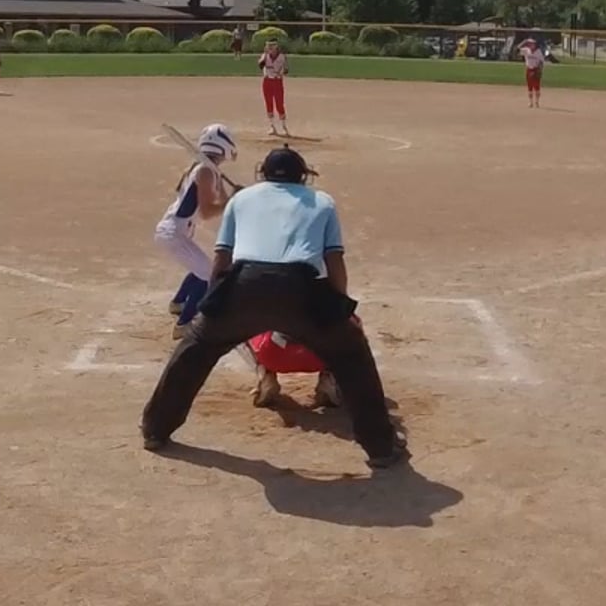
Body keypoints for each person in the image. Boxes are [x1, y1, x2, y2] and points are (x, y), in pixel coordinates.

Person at [141, 146, 407, 469]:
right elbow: (334, 261)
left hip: (244, 285)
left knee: (194, 349)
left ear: (263, 173)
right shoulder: (322, 201)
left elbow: (222, 259)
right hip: (302, 288)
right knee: (352, 353)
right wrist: (341, 310)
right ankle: (380, 447)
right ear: (303, 176)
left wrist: (212, 306)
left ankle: (155, 428)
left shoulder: (241, 199)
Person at [155, 124, 239, 339]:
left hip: (177, 230)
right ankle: (184, 325)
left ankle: (179, 303)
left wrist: (232, 197)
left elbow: (222, 200)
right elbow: (207, 212)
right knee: (208, 274)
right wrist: (232, 201)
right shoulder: (206, 171)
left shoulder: (208, 169)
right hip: (174, 233)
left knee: (200, 267)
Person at [259, 38, 289, 136]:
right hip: (267, 81)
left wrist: (282, 72)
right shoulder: (265, 56)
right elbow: (260, 65)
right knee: (269, 103)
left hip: (277, 81)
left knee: (279, 104)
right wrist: (263, 58)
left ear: (276, 47)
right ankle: (272, 126)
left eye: (272, 46)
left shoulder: (282, 57)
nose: (270, 48)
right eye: (269, 46)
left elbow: (286, 69)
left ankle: (284, 126)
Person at [519, 37, 546, 108]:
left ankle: (537, 102)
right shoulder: (526, 50)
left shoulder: (538, 51)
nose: (530, 44)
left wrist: (540, 70)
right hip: (529, 70)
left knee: (537, 87)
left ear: (535, 44)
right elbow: (517, 49)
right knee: (529, 87)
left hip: (536, 70)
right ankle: (530, 102)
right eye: (529, 43)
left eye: (532, 43)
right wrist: (524, 41)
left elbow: (542, 62)